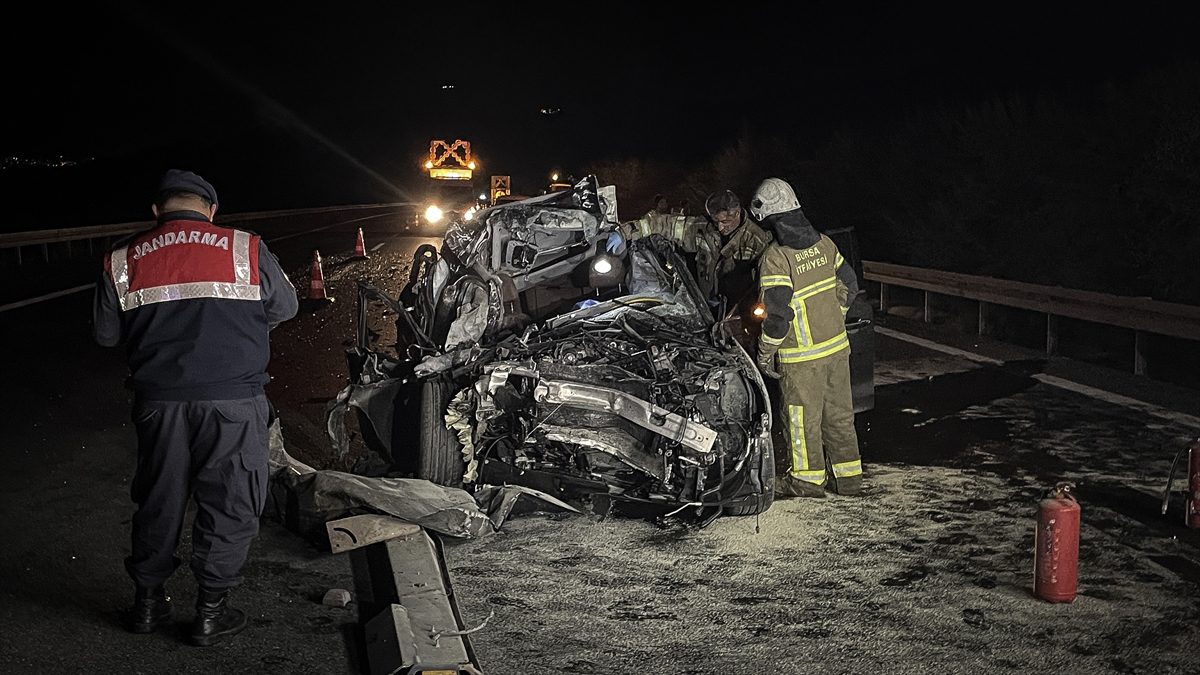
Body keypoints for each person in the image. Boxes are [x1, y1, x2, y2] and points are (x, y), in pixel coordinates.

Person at [93, 169, 299, 645]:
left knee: (158, 502)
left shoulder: (121, 258)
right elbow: (285, 307)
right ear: (211, 210)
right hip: (233, 401)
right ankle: (209, 613)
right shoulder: (244, 247)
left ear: (156, 211)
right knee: (231, 501)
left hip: (159, 405)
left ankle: (147, 605)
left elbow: (106, 336)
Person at [751, 177, 862, 498]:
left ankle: (807, 481)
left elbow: (778, 317)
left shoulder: (776, 258)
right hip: (838, 349)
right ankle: (849, 479)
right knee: (840, 415)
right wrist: (833, 317)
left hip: (802, 359)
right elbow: (850, 285)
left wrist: (763, 354)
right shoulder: (826, 244)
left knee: (802, 422)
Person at [703, 189, 774, 309]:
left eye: (725, 222)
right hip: (708, 305)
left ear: (737, 213)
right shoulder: (706, 228)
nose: (720, 228)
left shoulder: (756, 240)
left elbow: (767, 283)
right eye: (716, 222)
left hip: (739, 309)